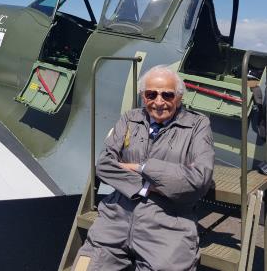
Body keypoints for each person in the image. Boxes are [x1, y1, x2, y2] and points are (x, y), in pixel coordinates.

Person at [74, 65, 215, 271]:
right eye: (151, 94)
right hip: (115, 219)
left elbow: (198, 181)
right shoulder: (130, 119)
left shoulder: (198, 126)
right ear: (143, 96)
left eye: (167, 95)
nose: (159, 102)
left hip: (167, 227)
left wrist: (142, 166)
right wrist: (147, 187)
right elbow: (104, 165)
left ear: (179, 97)